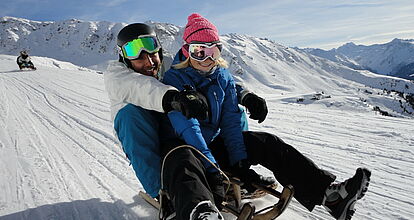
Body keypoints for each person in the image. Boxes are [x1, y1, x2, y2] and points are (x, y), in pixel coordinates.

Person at [160, 13, 371, 220]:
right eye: (198, 52)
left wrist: (239, 161)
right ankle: (201, 213)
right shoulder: (174, 79)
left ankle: (330, 196)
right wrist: (212, 169)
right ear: (186, 51)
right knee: (185, 160)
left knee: (266, 142)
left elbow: (230, 120)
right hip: (188, 149)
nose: (207, 59)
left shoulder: (222, 76)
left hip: (214, 147)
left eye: (213, 51)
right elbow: (188, 128)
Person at [103, 23, 270, 207]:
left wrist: (244, 95)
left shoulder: (169, 63)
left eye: (151, 50)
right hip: (151, 138)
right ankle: (162, 193)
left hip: (179, 129)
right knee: (130, 116)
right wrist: (175, 98)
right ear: (124, 57)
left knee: (232, 111)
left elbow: (210, 77)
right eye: (136, 53)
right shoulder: (117, 76)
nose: (149, 62)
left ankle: (233, 170)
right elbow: (142, 88)